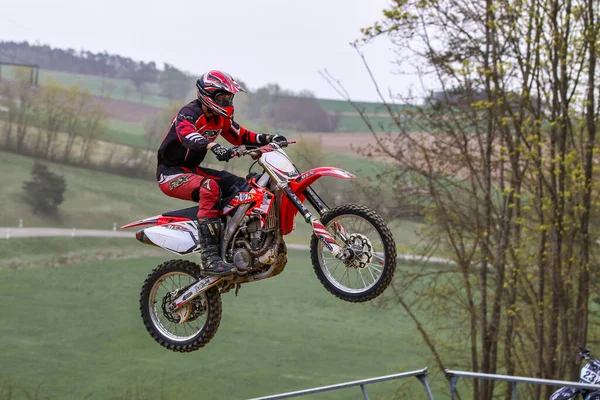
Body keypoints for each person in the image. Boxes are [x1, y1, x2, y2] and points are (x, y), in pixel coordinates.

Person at [156, 70, 286, 276]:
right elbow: (187, 136)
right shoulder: (189, 113)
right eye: (222, 97)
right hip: (170, 173)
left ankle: (236, 243)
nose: (227, 101)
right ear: (207, 95)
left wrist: (270, 139)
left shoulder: (220, 118)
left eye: (229, 97)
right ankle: (210, 257)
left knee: (241, 186)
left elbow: (242, 136)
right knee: (210, 188)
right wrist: (213, 146)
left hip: (192, 170)